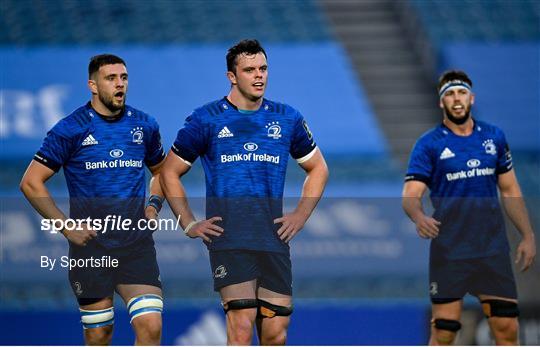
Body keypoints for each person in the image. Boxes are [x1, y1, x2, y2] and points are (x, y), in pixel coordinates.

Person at [160, 39, 328, 345]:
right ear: (232, 77)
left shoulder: (286, 118)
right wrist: (188, 221)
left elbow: (318, 168)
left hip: (273, 239)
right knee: (241, 325)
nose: (259, 76)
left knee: (275, 334)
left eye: (263, 68)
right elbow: (169, 171)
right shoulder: (206, 118)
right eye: (249, 70)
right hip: (230, 238)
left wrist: (301, 214)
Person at [20, 54, 166, 345]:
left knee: (150, 326)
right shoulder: (70, 129)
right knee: (100, 335)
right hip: (91, 249)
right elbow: (30, 182)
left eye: (123, 77)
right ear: (93, 85)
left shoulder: (144, 125)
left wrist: (153, 205)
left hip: (135, 246)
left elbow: (162, 172)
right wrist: (66, 226)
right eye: (111, 78)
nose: (120, 84)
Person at [402, 70, 536, 345]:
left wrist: (527, 235)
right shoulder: (429, 144)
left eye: (461, 92)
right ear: (442, 103)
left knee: (507, 328)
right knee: (445, 331)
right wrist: (418, 216)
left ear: (471, 98)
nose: (456, 99)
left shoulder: (494, 137)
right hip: (450, 251)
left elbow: (510, 189)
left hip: (492, 250)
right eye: (449, 94)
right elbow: (410, 194)